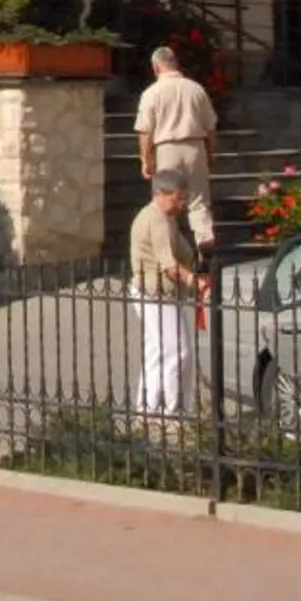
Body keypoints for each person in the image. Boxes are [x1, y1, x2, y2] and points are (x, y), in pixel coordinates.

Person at [129, 168, 204, 417]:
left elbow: (183, 252)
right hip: (155, 294)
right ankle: (174, 412)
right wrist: (195, 281)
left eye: (183, 198)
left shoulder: (165, 217)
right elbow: (169, 265)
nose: (181, 204)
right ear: (161, 193)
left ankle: (147, 410)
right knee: (177, 353)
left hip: (156, 293)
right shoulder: (157, 219)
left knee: (158, 351)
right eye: (177, 198)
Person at [133, 44, 220, 250]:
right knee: (198, 201)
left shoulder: (151, 93)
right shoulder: (196, 89)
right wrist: (211, 153)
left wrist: (145, 159)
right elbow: (211, 127)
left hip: (166, 148)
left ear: (155, 67)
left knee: (167, 202)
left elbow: (145, 131)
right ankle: (204, 237)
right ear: (176, 64)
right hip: (195, 146)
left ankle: (169, 248)